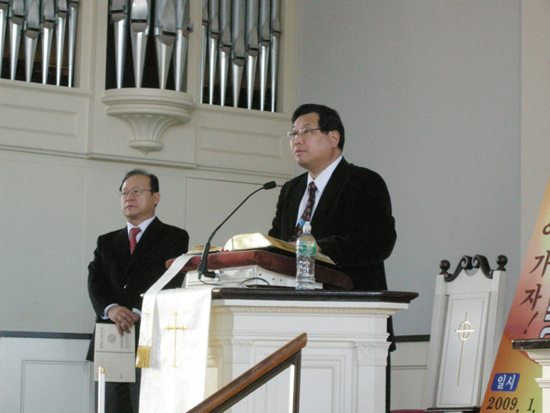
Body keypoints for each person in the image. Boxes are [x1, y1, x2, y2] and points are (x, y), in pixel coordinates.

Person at [268, 103, 396, 411]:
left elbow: (380, 241)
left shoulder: (363, 181)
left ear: (333, 137)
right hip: (294, 321)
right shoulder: (291, 190)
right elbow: (278, 243)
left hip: (351, 319)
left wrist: (320, 248)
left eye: (306, 131)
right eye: (293, 134)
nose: (297, 140)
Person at [87, 168, 189, 413]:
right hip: (112, 337)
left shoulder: (174, 237)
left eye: (137, 191)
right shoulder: (106, 241)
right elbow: (96, 280)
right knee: (110, 406)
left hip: (150, 336)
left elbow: (171, 280)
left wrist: (137, 311)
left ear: (156, 197)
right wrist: (112, 309)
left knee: (147, 406)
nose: (129, 197)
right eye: (124, 193)